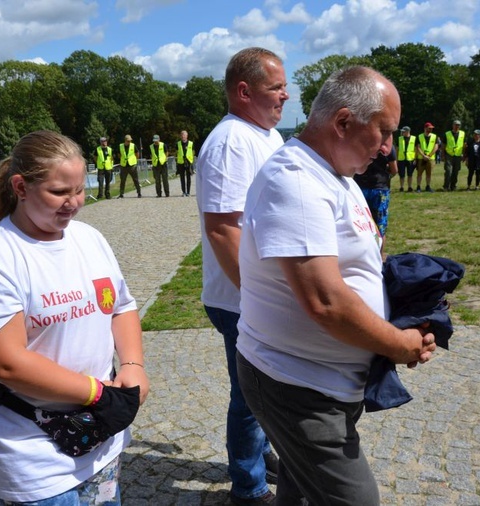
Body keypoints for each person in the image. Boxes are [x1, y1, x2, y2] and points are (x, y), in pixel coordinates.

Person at [235, 66, 437, 505]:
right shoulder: (297, 181)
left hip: (318, 381)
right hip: (297, 385)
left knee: (302, 492)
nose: (387, 149)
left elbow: (355, 259)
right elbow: (325, 301)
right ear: (343, 122)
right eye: (383, 133)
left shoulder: (335, 174)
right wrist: (398, 343)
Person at [0, 130, 149, 505]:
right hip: (30, 448)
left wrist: (133, 365)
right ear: (21, 187)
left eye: (79, 189)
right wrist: (95, 392)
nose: (73, 203)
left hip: (97, 434)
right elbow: (7, 363)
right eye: (59, 192)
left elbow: (121, 306)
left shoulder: (88, 238)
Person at [196, 46, 289, 506]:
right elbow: (221, 228)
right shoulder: (231, 141)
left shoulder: (264, 136)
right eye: (276, 88)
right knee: (250, 397)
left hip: (255, 294)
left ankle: (261, 456)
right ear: (244, 91)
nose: (286, 96)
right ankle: (248, 487)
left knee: (263, 389)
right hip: (240, 299)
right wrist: (255, 296)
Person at [354, 145, 398, 243]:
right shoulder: (388, 146)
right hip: (379, 188)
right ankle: (380, 257)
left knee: (360, 223)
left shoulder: (359, 141)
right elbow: (394, 170)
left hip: (359, 187)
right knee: (380, 226)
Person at [443, 119, 466, 191]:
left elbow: (464, 145)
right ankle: (446, 186)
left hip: (458, 155)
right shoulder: (447, 134)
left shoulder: (463, 134)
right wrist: (443, 155)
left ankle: (453, 186)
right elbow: (443, 145)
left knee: (456, 171)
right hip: (449, 155)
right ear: (453, 125)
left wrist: (463, 154)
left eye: (458, 125)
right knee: (448, 171)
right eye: (456, 125)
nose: (457, 126)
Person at [415, 122, 438, 192]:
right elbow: (418, 147)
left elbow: (436, 147)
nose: (430, 130)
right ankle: (418, 187)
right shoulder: (419, 136)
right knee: (419, 173)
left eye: (431, 129)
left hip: (430, 158)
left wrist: (429, 155)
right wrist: (423, 155)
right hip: (421, 158)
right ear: (425, 128)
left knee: (429, 173)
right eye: (429, 128)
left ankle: (428, 186)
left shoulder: (434, 136)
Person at [118, 134, 142, 198]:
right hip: (124, 165)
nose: (129, 142)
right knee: (122, 180)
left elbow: (137, 153)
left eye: (130, 141)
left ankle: (139, 192)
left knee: (135, 179)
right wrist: (122, 160)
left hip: (132, 165)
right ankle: (121, 193)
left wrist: (135, 160)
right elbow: (119, 154)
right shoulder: (120, 146)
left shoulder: (133, 146)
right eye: (128, 141)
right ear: (125, 140)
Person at [396, 126, 416, 192]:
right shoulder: (399, 139)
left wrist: (415, 159)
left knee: (410, 174)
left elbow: (416, 149)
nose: (402, 132)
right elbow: (397, 149)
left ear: (408, 131)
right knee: (402, 174)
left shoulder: (414, 138)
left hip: (410, 158)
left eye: (403, 131)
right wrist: (396, 159)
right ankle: (401, 187)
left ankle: (409, 187)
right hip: (401, 159)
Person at [176, 130, 195, 196]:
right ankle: (183, 192)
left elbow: (193, 152)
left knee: (188, 178)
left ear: (187, 136)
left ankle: (188, 192)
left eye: (184, 135)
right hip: (181, 162)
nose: (183, 136)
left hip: (188, 162)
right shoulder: (178, 143)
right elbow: (177, 152)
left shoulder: (191, 143)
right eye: (182, 135)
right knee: (182, 178)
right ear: (180, 136)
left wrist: (191, 160)